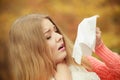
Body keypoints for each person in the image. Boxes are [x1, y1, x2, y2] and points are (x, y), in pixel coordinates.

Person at [9, 14, 120, 80]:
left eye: (56, 30)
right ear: (31, 50)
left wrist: (99, 47)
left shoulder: (81, 62)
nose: (59, 36)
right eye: (48, 36)